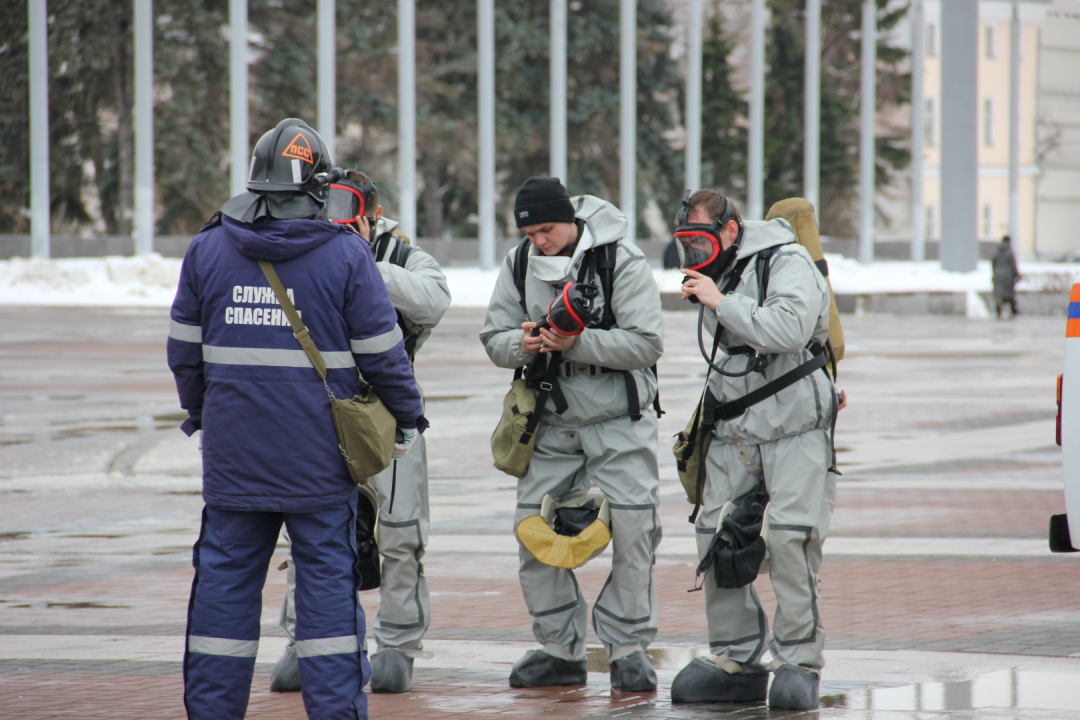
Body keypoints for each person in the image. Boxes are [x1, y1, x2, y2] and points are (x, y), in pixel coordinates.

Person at [167, 118, 425, 720]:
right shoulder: (346, 254)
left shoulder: (207, 249)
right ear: (319, 186)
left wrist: (210, 416)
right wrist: (408, 419)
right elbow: (384, 357)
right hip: (319, 463)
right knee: (328, 602)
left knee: (222, 598)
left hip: (234, 463)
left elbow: (183, 355)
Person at [269, 170, 451, 694]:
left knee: (399, 532)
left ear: (372, 214)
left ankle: (396, 643)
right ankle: (304, 641)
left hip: (387, 409)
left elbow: (435, 300)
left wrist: (361, 263)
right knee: (310, 530)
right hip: (319, 408)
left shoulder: (400, 253)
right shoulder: (302, 243)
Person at [479, 177, 664, 691]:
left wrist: (576, 342)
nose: (539, 240)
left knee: (633, 528)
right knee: (532, 530)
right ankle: (559, 648)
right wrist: (525, 343)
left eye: (547, 229)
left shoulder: (618, 260)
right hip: (551, 420)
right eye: (531, 232)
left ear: (570, 219)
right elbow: (493, 339)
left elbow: (646, 343)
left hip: (616, 419)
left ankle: (627, 648)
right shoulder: (519, 263)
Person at [671, 189, 839, 711]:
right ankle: (736, 658)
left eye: (701, 243)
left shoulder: (784, 261)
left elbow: (787, 329)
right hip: (736, 430)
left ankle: (797, 661)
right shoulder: (716, 274)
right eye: (685, 247)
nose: (694, 257)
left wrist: (721, 300)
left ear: (730, 230)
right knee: (714, 535)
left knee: (791, 540)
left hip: (795, 429)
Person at [992, 235, 1021, 318]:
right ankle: (1014, 312)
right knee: (1009, 295)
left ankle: (998, 311)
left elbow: (993, 263)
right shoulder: (1010, 253)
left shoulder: (997, 252)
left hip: (997, 275)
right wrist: (1017, 275)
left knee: (999, 295)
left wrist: (995, 274)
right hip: (1007, 276)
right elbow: (1013, 266)